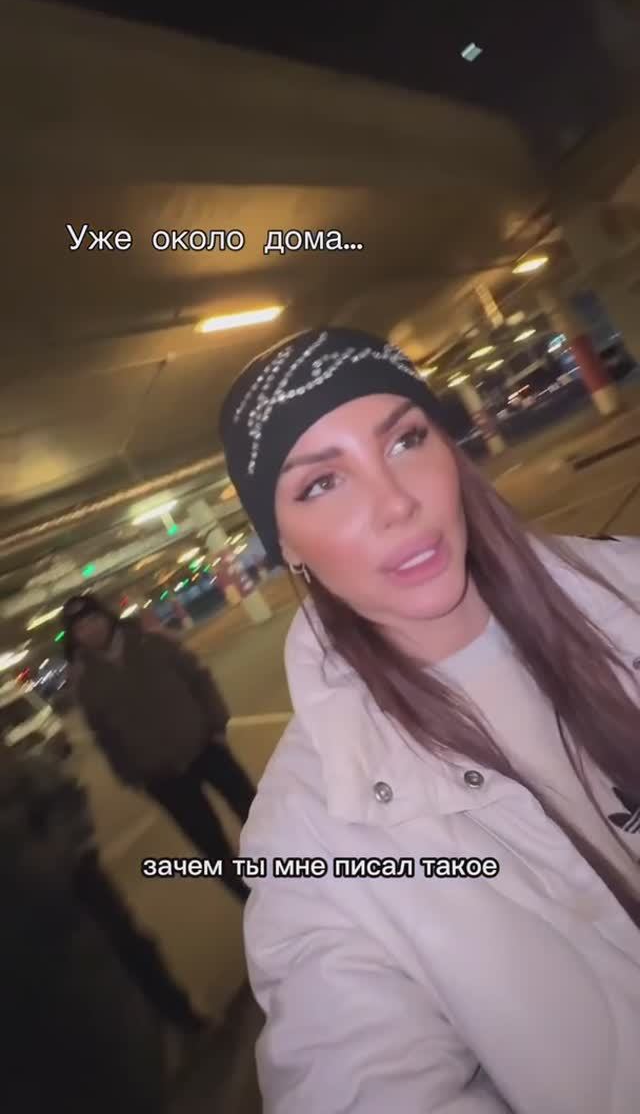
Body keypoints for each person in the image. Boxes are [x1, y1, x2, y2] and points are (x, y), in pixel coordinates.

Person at [219, 326, 640, 1114]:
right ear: (286, 548)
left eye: (406, 441)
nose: (396, 503)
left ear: (450, 451)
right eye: (322, 483)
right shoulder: (309, 837)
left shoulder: (629, 590)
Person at [0, 739, 167, 1113]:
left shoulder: (26, 776)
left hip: (72, 910)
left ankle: (176, 1009)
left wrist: (65, 854)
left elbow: (68, 805)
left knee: (127, 946)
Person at [63, 594, 254, 903]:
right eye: (81, 627)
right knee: (210, 844)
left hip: (205, 746)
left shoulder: (150, 642)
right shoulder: (85, 681)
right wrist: (130, 775)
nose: (90, 630)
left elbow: (198, 678)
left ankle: (294, 875)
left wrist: (217, 725)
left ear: (107, 617)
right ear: (74, 637)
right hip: (161, 777)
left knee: (255, 813)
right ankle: (252, 901)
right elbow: (104, 735)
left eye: (94, 619)